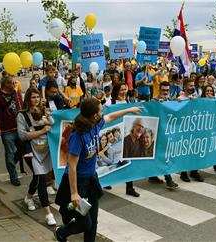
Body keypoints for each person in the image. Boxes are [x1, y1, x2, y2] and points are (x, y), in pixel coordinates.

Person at [54, 97, 141, 242]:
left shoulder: (95, 124)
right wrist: (75, 193)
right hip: (77, 184)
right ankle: (61, 232)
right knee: (85, 223)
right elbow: (72, 166)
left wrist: (129, 110)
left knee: (93, 221)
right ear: (94, 115)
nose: (103, 112)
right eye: (101, 110)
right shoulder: (77, 135)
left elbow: (111, 116)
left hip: (91, 180)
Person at [17, 88, 57, 226]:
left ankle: (28, 198)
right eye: (33, 97)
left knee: (36, 177)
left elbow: (52, 124)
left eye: (37, 97)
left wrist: (49, 117)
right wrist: (41, 131)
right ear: (28, 99)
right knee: (41, 178)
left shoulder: (43, 112)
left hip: (45, 151)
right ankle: (48, 213)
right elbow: (22, 136)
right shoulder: (22, 115)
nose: (36, 100)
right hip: (31, 152)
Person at [0, 75, 23, 186]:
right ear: (5, 84)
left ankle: (11, 165)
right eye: (12, 82)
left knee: (23, 149)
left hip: (20, 128)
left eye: (14, 82)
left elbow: (22, 108)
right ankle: (13, 176)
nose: (15, 84)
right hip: (7, 131)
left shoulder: (17, 94)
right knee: (10, 154)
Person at [148, 82, 179, 189]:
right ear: (159, 90)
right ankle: (168, 179)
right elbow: (150, 114)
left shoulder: (171, 101)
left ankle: (152, 176)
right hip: (158, 132)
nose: (165, 92)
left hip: (168, 132)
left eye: (167, 90)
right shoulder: (154, 101)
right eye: (163, 90)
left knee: (161, 155)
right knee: (163, 155)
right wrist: (157, 106)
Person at [178, 78, 204, 182]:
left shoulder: (196, 97)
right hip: (184, 129)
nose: (192, 87)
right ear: (185, 87)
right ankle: (183, 173)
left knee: (195, 150)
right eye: (190, 86)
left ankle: (194, 171)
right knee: (185, 151)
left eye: (193, 85)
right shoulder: (180, 99)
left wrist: (196, 101)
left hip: (195, 128)